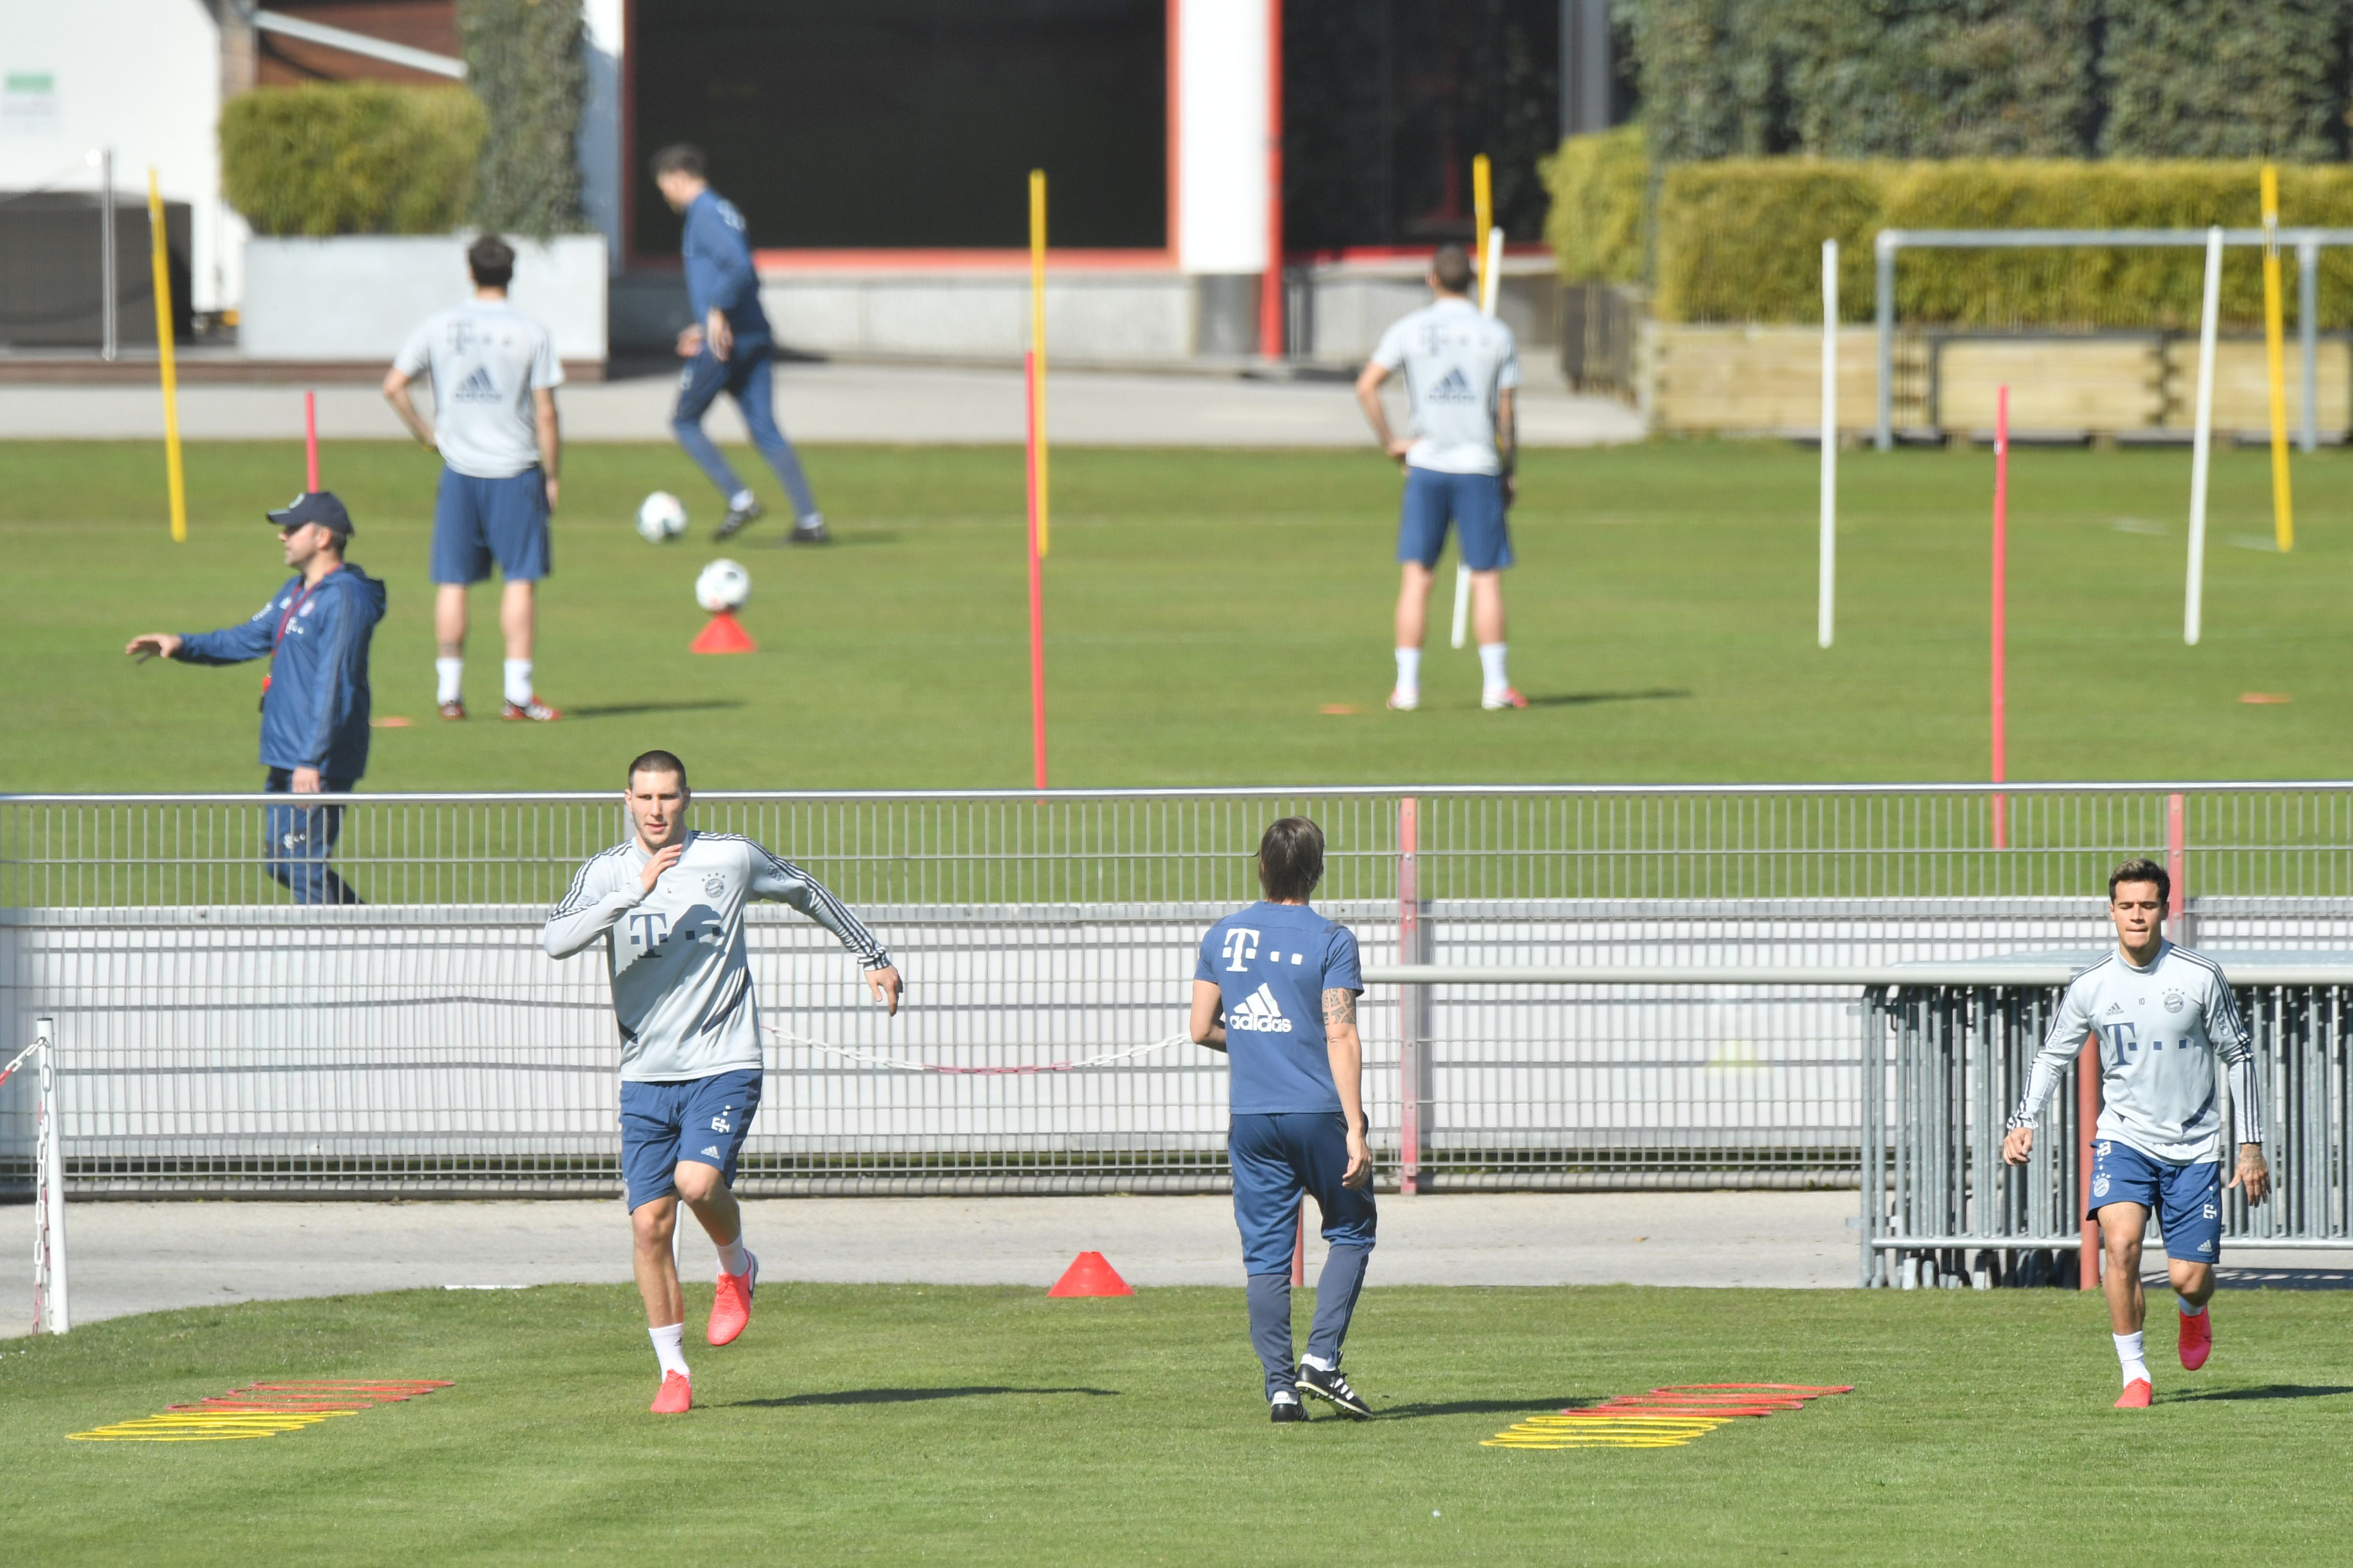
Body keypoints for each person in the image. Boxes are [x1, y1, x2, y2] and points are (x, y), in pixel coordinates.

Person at [542, 750, 902, 1413]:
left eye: (669, 797)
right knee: (649, 1227)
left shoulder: (729, 857)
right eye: (646, 798)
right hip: (645, 1073)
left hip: (724, 1060)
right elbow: (556, 940)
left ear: (687, 799)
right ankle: (673, 1371)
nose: (657, 810)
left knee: (696, 1183)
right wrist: (633, 893)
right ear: (626, 799)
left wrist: (871, 956)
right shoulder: (606, 873)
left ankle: (736, 1263)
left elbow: (806, 890)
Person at [2001, 858, 2268, 1409]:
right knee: (2119, 1246)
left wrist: (2250, 1143)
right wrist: (2022, 1120)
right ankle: (2135, 1375)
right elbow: (2052, 1056)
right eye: (2126, 905)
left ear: (2164, 910)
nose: (2137, 915)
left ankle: (2194, 1313)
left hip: (2194, 1145)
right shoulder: (2091, 984)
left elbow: (2238, 1056)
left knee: (2188, 1279)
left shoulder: (2199, 975)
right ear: (2111, 911)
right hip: (2123, 1139)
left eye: (2147, 905)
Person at [1190, 817, 1376, 1423]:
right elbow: (1340, 1032)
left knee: (1266, 1255)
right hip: (1317, 1110)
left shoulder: (1223, 935)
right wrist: (1355, 1126)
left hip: (1252, 1117)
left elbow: (1201, 1028)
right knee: (1350, 1228)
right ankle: (1320, 1357)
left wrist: (1253, 1045)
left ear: (1262, 865)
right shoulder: (1331, 939)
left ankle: (1279, 1387)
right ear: (1316, 871)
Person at [124, 493, 387, 904]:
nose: (281, 537)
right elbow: (245, 639)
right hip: (286, 756)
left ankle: (344, 953)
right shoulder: (294, 591)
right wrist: (180, 644)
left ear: (322, 538)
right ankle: (367, 933)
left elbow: (334, 683)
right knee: (283, 864)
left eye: (291, 529)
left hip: (315, 761)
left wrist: (312, 761)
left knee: (302, 866)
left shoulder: (345, 598)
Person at [383, 232, 564, 723]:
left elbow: (394, 386)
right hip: (515, 470)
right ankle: (518, 696)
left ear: (470, 272)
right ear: (511, 274)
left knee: (453, 581)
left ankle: (450, 696)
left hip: (460, 471)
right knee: (521, 581)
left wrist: (427, 434)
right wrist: (553, 474)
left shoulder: (440, 326)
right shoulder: (531, 331)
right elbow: (546, 413)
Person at [1354, 242, 1524, 712]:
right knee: (1485, 579)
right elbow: (1506, 412)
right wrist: (1508, 469)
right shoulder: (1496, 333)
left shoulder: (1408, 330)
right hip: (1477, 468)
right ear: (1469, 281)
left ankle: (1405, 689)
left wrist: (1392, 441)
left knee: (1417, 577)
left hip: (1426, 465)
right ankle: (1495, 687)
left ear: (1432, 279)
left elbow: (1366, 386)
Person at [649, 143, 830, 545]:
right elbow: (739, 269)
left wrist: (716, 312)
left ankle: (740, 499)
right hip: (753, 333)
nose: (665, 195)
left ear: (677, 177)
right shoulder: (722, 209)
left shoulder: (704, 213)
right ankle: (810, 521)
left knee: (684, 420)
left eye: (664, 185)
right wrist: (708, 320)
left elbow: (740, 266)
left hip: (727, 341)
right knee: (765, 428)